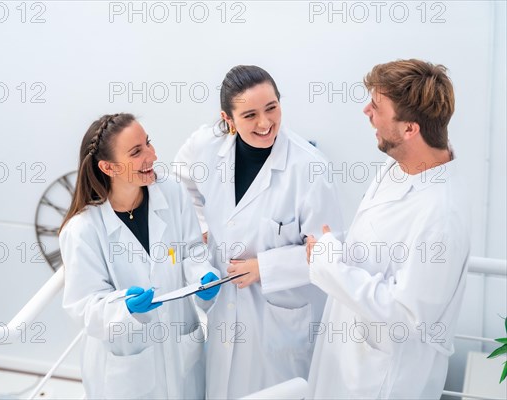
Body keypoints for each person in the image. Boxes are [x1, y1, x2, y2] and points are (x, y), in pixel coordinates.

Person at [174, 65, 343, 399]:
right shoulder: (205, 146)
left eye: (272, 108)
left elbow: (329, 252)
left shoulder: (310, 167)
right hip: (227, 304)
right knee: (224, 387)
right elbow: (181, 182)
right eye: (250, 115)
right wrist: (204, 229)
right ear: (228, 119)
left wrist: (264, 268)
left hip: (281, 316)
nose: (265, 124)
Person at [306, 59, 471, 398]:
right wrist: (332, 251)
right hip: (347, 360)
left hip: (381, 382)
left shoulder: (441, 216)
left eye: (377, 106)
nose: (366, 110)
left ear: (411, 129)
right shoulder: (399, 163)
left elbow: (405, 319)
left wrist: (328, 262)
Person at [59, 113, 220, 399]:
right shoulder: (82, 230)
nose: (153, 155)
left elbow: (192, 250)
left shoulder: (171, 193)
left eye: (148, 143)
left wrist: (202, 276)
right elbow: (85, 306)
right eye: (136, 152)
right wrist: (125, 309)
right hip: (127, 368)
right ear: (108, 167)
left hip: (181, 350)